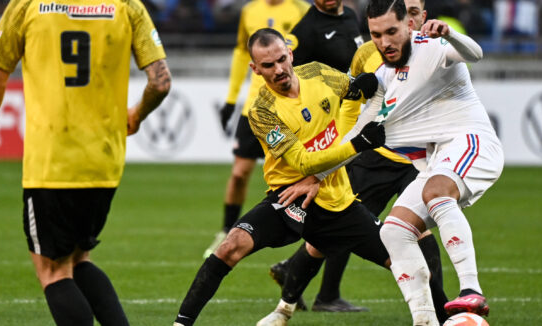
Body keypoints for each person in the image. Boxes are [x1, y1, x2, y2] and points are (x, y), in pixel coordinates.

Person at [173, 27, 388, 326]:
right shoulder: (261, 112)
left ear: (290, 53)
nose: (278, 70)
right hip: (290, 197)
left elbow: (353, 90)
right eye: (268, 66)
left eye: (281, 60)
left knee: (403, 258)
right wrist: (358, 144)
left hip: (337, 200)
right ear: (255, 69)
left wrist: (365, 84)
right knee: (230, 246)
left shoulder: (318, 72)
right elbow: (302, 162)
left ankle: (444, 315)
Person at [0, 1, 170, 325]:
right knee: (78, 259)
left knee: (53, 271)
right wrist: (137, 115)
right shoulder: (126, 5)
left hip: (52, 163)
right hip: (104, 161)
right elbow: (160, 82)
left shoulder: (27, 4)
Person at [268, 0, 448, 320]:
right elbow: (352, 103)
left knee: (421, 234)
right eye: (405, 13)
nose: (412, 19)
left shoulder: (437, 50)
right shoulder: (368, 53)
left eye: (416, 12)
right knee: (340, 232)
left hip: (417, 161)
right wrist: (344, 149)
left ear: (423, 16)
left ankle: (442, 311)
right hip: (375, 158)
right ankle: (295, 290)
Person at [363, 0, 503, 324]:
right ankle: (424, 320)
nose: (388, 39)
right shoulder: (386, 74)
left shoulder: (435, 46)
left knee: (437, 190)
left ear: (416, 19)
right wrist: (315, 173)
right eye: (378, 34)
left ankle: (472, 289)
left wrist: (451, 34)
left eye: (413, 14)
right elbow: (358, 135)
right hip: (438, 158)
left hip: (472, 142)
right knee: (394, 231)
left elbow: (474, 53)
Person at [203, 0, 310, 262]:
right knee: (239, 174)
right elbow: (242, 52)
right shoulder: (250, 11)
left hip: (289, 107)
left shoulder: (300, 10)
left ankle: (307, 246)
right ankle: (227, 231)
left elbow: (308, 53)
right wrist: (231, 98)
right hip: (254, 108)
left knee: (303, 175)